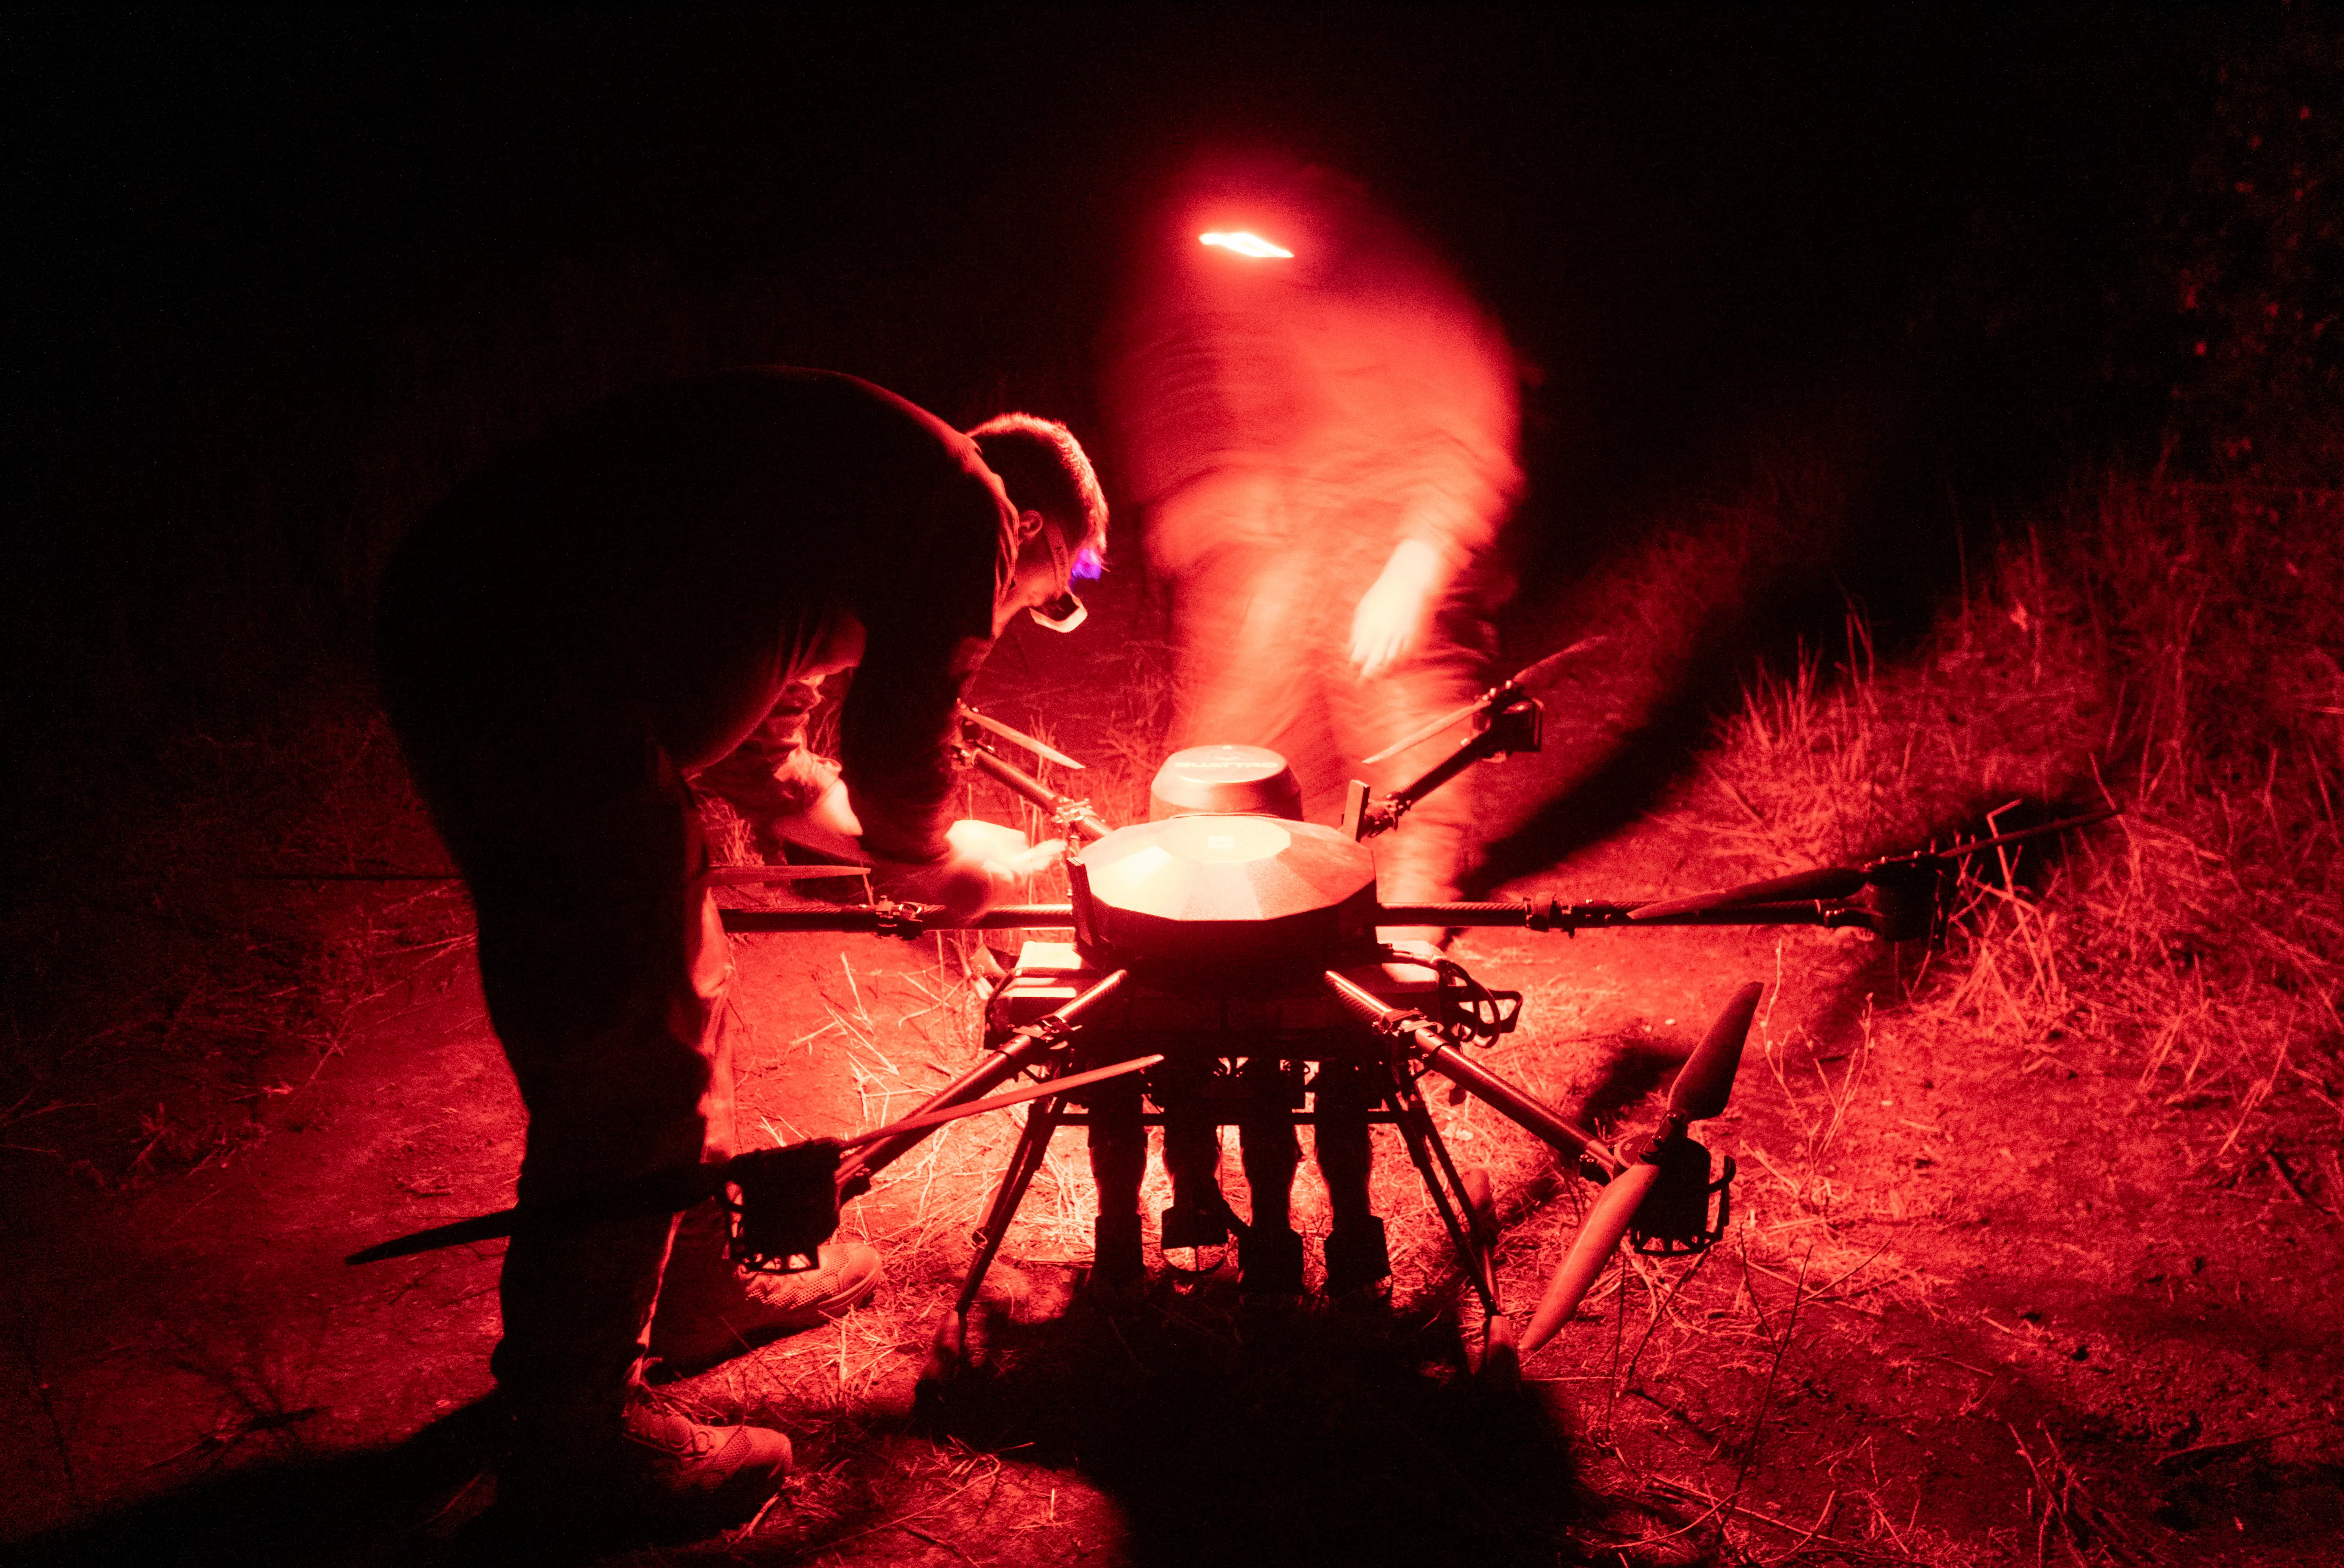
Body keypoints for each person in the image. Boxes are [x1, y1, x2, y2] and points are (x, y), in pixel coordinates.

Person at [376, 368, 1106, 1531]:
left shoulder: (851, 515)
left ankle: (688, 1291)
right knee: (632, 1046)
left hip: (488, 630)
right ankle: (576, 1440)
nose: (1024, 618)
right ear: (1029, 531)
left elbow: (774, 767)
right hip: (534, 668)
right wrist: (936, 857)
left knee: (685, 980)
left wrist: (917, 849)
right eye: (1053, 591)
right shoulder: (963, 503)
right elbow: (900, 739)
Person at [1101, 156, 1524, 1296]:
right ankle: (1174, 942)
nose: (1260, 260)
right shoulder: (1230, 261)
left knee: (1409, 748)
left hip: (1393, 522)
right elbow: (1174, 366)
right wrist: (1200, 485)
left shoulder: (1412, 294)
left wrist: (1417, 565)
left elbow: (1471, 440)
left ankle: (1401, 969)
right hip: (1279, 513)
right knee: (1226, 746)